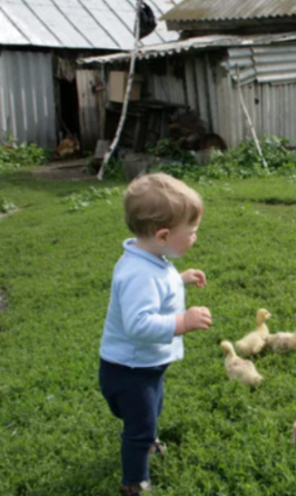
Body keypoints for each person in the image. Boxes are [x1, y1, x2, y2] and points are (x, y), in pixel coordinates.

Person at [99, 173, 212, 495]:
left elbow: (159, 278)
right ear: (163, 235)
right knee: (140, 425)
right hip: (129, 370)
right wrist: (182, 323)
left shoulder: (150, 258)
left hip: (145, 366)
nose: (195, 238)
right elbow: (138, 324)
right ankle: (134, 481)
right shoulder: (138, 274)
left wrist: (180, 279)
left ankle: (146, 439)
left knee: (152, 409)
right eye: (191, 233)